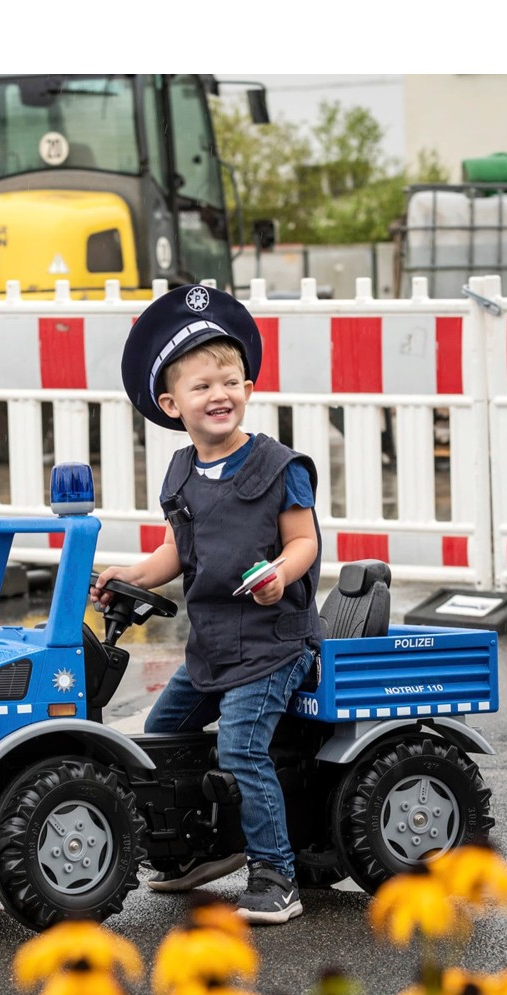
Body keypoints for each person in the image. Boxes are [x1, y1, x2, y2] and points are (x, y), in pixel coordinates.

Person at [90, 284, 322, 925]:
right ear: (170, 404)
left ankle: (276, 875)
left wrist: (280, 572)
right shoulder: (181, 472)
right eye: (201, 386)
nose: (219, 394)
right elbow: (177, 552)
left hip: (274, 642)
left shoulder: (280, 467)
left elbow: (303, 541)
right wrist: (131, 572)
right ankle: (199, 852)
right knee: (164, 738)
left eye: (230, 380)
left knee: (242, 747)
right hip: (213, 645)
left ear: (248, 385)